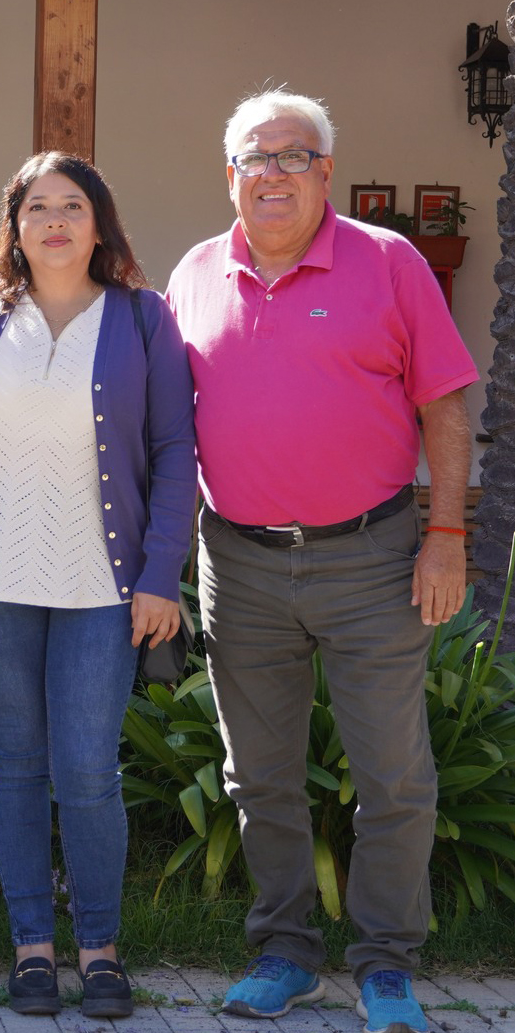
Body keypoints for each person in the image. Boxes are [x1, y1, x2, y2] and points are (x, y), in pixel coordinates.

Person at [166, 89, 476, 1033]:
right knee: (257, 775)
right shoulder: (194, 274)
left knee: (393, 774)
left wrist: (448, 535)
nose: (273, 172)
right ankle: (285, 952)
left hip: (374, 557)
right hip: (240, 561)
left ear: (326, 172)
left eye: (294, 156)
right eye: (255, 158)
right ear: (230, 176)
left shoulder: (389, 263)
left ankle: (386, 965)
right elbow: (166, 427)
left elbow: (445, 407)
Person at [0, 152, 196, 1018]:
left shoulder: (143, 319)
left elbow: (174, 452)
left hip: (102, 586)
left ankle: (102, 950)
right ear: (14, 226)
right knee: (14, 767)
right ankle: (32, 947)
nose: (55, 222)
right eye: (37, 207)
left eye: (72, 206)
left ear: (100, 223)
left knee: (87, 773)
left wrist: (160, 576)